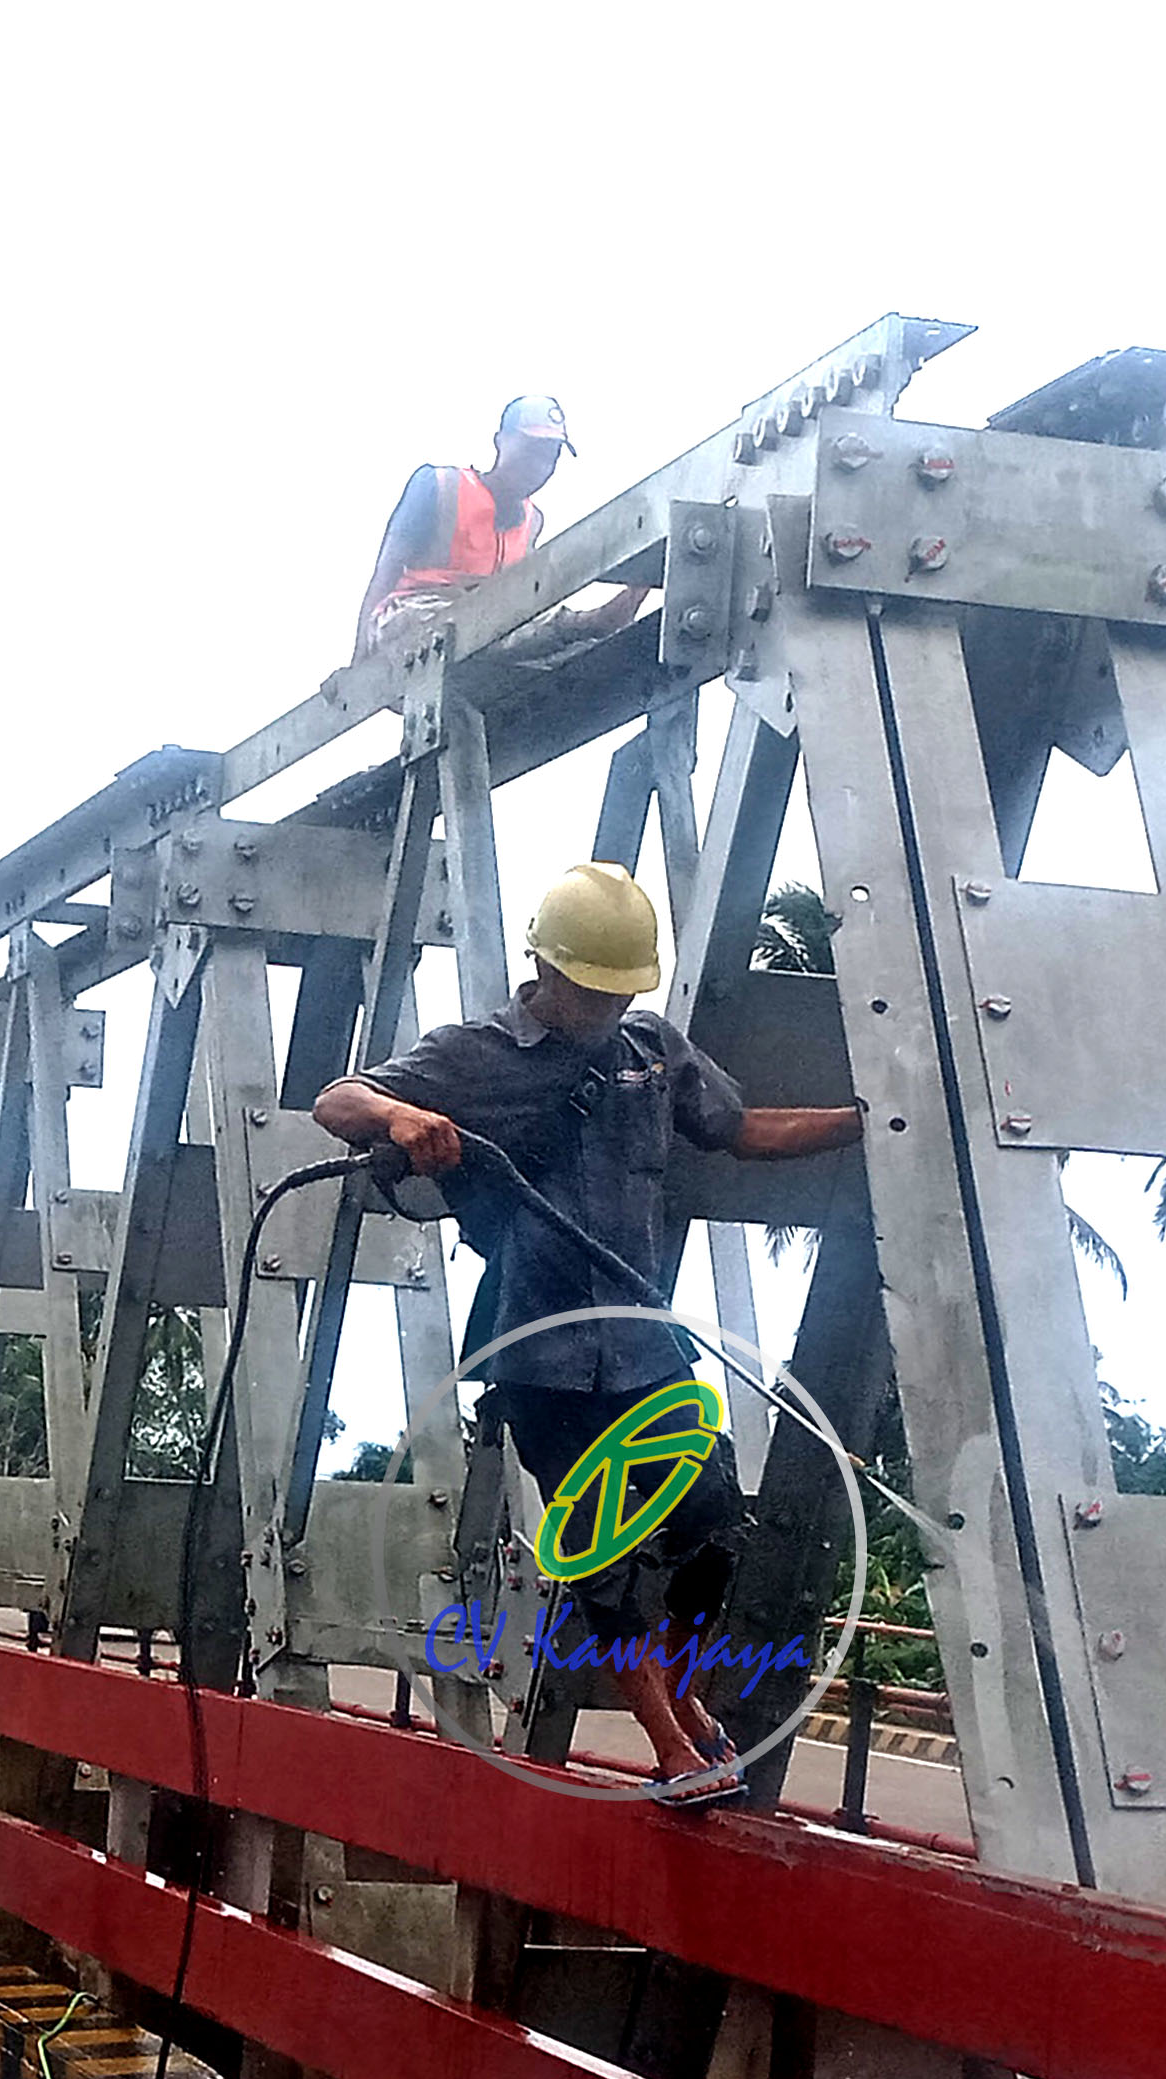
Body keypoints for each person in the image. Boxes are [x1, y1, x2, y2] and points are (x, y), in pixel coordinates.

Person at [316, 865, 865, 1797]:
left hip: (644, 1342)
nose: (608, 1008)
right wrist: (407, 1116)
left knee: (710, 1518)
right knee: (604, 1553)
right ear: (546, 968)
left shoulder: (650, 1049)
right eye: (593, 990)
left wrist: (872, 1124)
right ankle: (676, 1752)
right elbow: (340, 1100)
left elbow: (746, 1130)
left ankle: (689, 1710)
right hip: (541, 1354)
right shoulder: (476, 1054)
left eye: (622, 992)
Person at [348, 394, 650, 664]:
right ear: (500, 440)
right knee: (449, 631)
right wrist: (359, 661)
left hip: (490, 627)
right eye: (531, 450)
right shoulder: (439, 485)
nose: (539, 466)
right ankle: (584, 623)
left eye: (550, 457)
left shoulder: (533, 521)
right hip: (416, 615)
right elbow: (385, 571)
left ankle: (592, 626)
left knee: (557, 654)